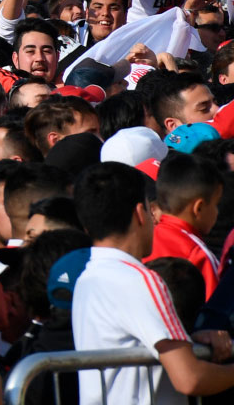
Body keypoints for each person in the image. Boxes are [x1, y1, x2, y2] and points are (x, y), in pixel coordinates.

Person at [71, 162, 234, 404]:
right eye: (150, 210)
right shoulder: (142, 280)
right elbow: (189, 378)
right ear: (140, 213)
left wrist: (193, 338)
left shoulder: (87, 278)